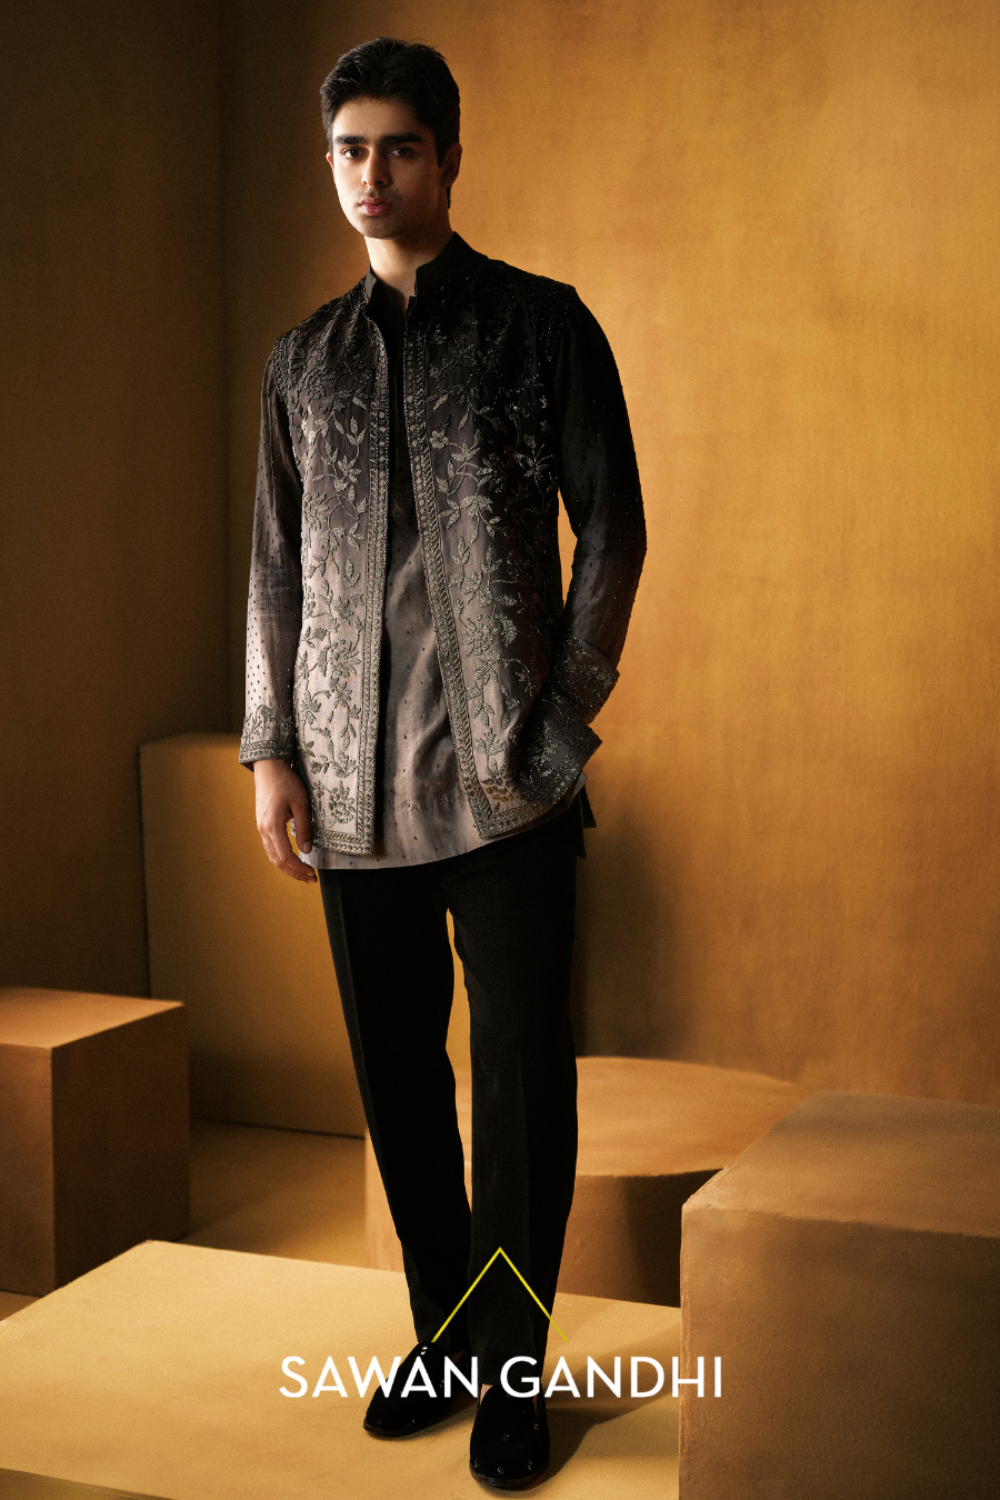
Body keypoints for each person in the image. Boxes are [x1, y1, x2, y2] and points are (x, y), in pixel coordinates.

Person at [241, 36, 645, 1490]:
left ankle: (515, 1370)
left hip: (509, 787)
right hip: (353, 798)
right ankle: (449, 1337)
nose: (373, 175)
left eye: (399, 147)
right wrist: (272, 750)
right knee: (402, 1086)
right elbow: (274, 569)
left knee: (521, 1087)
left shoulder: (542, 326)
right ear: (330, 164)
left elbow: (615, 528)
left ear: (450, 158)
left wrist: (564, 714)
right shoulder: (302, 362)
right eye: (350, 150)